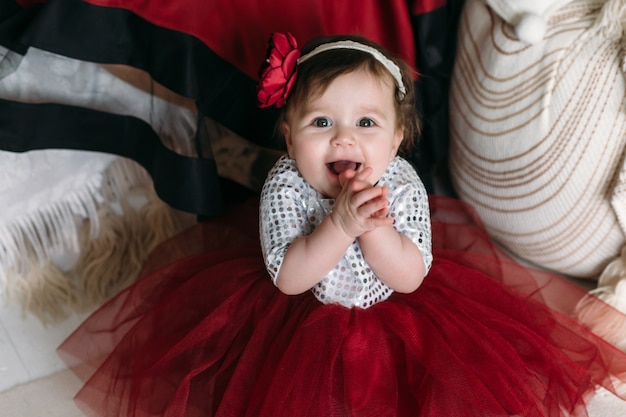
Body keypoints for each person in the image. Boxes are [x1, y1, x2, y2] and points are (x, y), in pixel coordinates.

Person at [59, 33, 626, 417]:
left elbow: (408, 279)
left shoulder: (400, 184)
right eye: (322, 121)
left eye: (367, 122)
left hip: (398, 316)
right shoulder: (286, 184)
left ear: (397, 139)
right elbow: (288, 278)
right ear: (288, 135)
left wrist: (371, 227)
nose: (344, 138)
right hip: (297, 319)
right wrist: (338, 223)